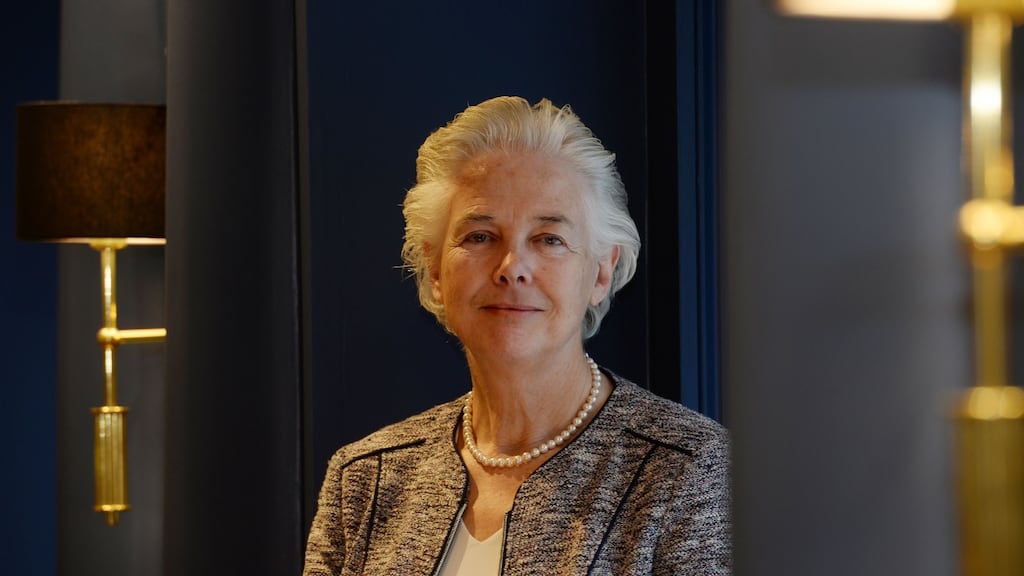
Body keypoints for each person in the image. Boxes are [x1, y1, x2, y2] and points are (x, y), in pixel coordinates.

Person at [303, 96, 731, 575]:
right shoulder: (367, 477)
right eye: (480, 237)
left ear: (600, 274)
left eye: (549, 239)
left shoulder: (693, 471)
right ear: (436, 271)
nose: (513, 269)